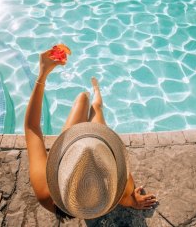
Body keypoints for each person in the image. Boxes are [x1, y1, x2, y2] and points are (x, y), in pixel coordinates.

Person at [24, 45, 157, 223]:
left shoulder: (46, 194)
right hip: (87, 151)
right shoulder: (122, 186)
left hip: (77, 150)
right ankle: (97, 95)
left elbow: (32, 127)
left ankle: (92, 96)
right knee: (95, 108)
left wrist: (42, 74)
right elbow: (129, 200)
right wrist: (135, 202)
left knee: (82, 99)